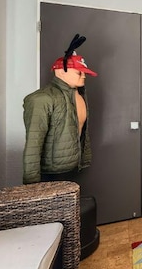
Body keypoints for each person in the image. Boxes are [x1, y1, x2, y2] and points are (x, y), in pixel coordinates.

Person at [23, 53, 97, 184]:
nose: (84, 76)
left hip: (73, 168)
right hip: (51, 173)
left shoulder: (78, 96)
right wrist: (32, 185)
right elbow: (33, 144)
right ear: (61, 72)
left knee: (71, 204)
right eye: (79, 73)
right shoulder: (41, 99)